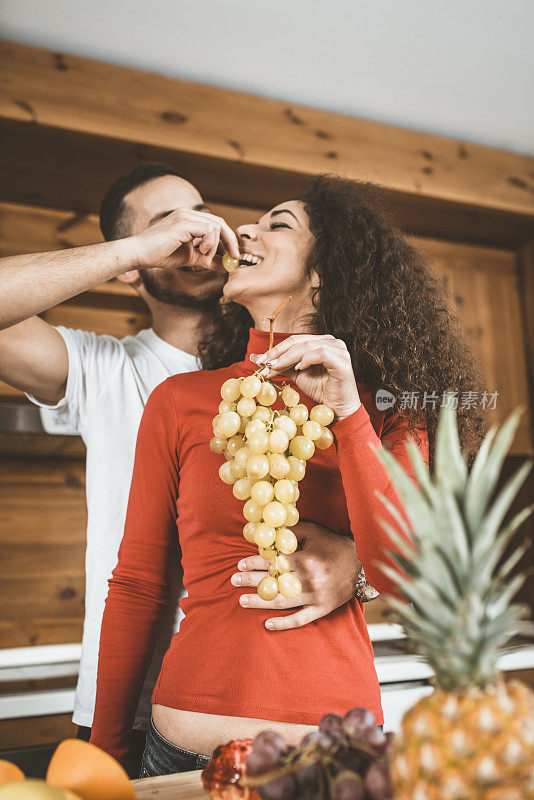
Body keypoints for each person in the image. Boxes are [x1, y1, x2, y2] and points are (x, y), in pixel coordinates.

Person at [89, 175, 484, 775]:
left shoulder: (387, 406)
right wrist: (104, 760)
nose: (244, 229)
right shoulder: (179, 400)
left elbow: (405, 576)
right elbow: (140, 584)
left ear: (325, 272)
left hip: (338, 755)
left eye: (278, 224)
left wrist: (349, 413)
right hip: (179, 751)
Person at [0, 164, 373, 775]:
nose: (200, 231)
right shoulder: (106, 369)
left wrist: (359, 567)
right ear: (130, 263)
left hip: (270, 691)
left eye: (200, 210)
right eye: (168, 223)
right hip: (132, 697)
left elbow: (394, 514)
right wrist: (139, 249)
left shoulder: (310, 373)